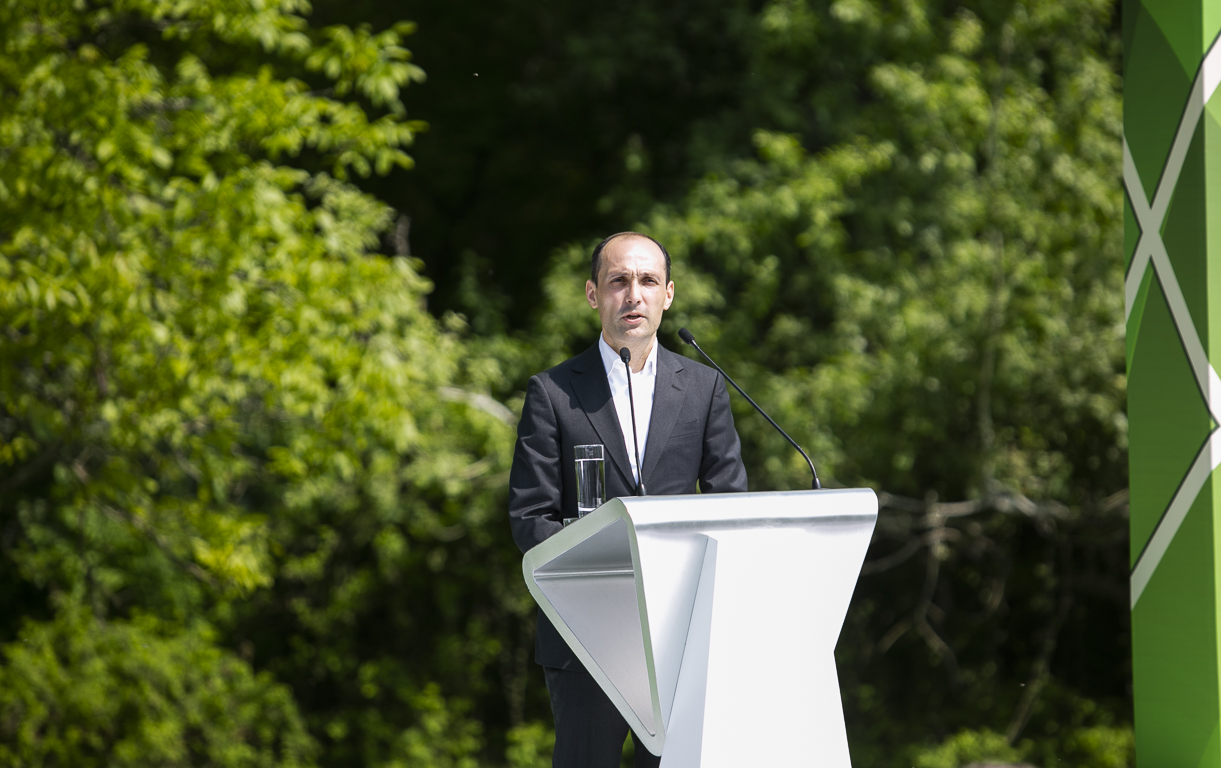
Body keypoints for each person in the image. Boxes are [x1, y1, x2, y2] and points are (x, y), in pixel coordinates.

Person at [508, 232, 748, 768]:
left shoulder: (706, 388)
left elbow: (731, 507)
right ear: (593, 294)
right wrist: (609, 558)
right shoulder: (553, 393)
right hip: (586, 636)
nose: (633, 294)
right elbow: (530, 519)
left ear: (668, 294)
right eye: (618, 280)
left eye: (648, 281)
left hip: (681, 638)